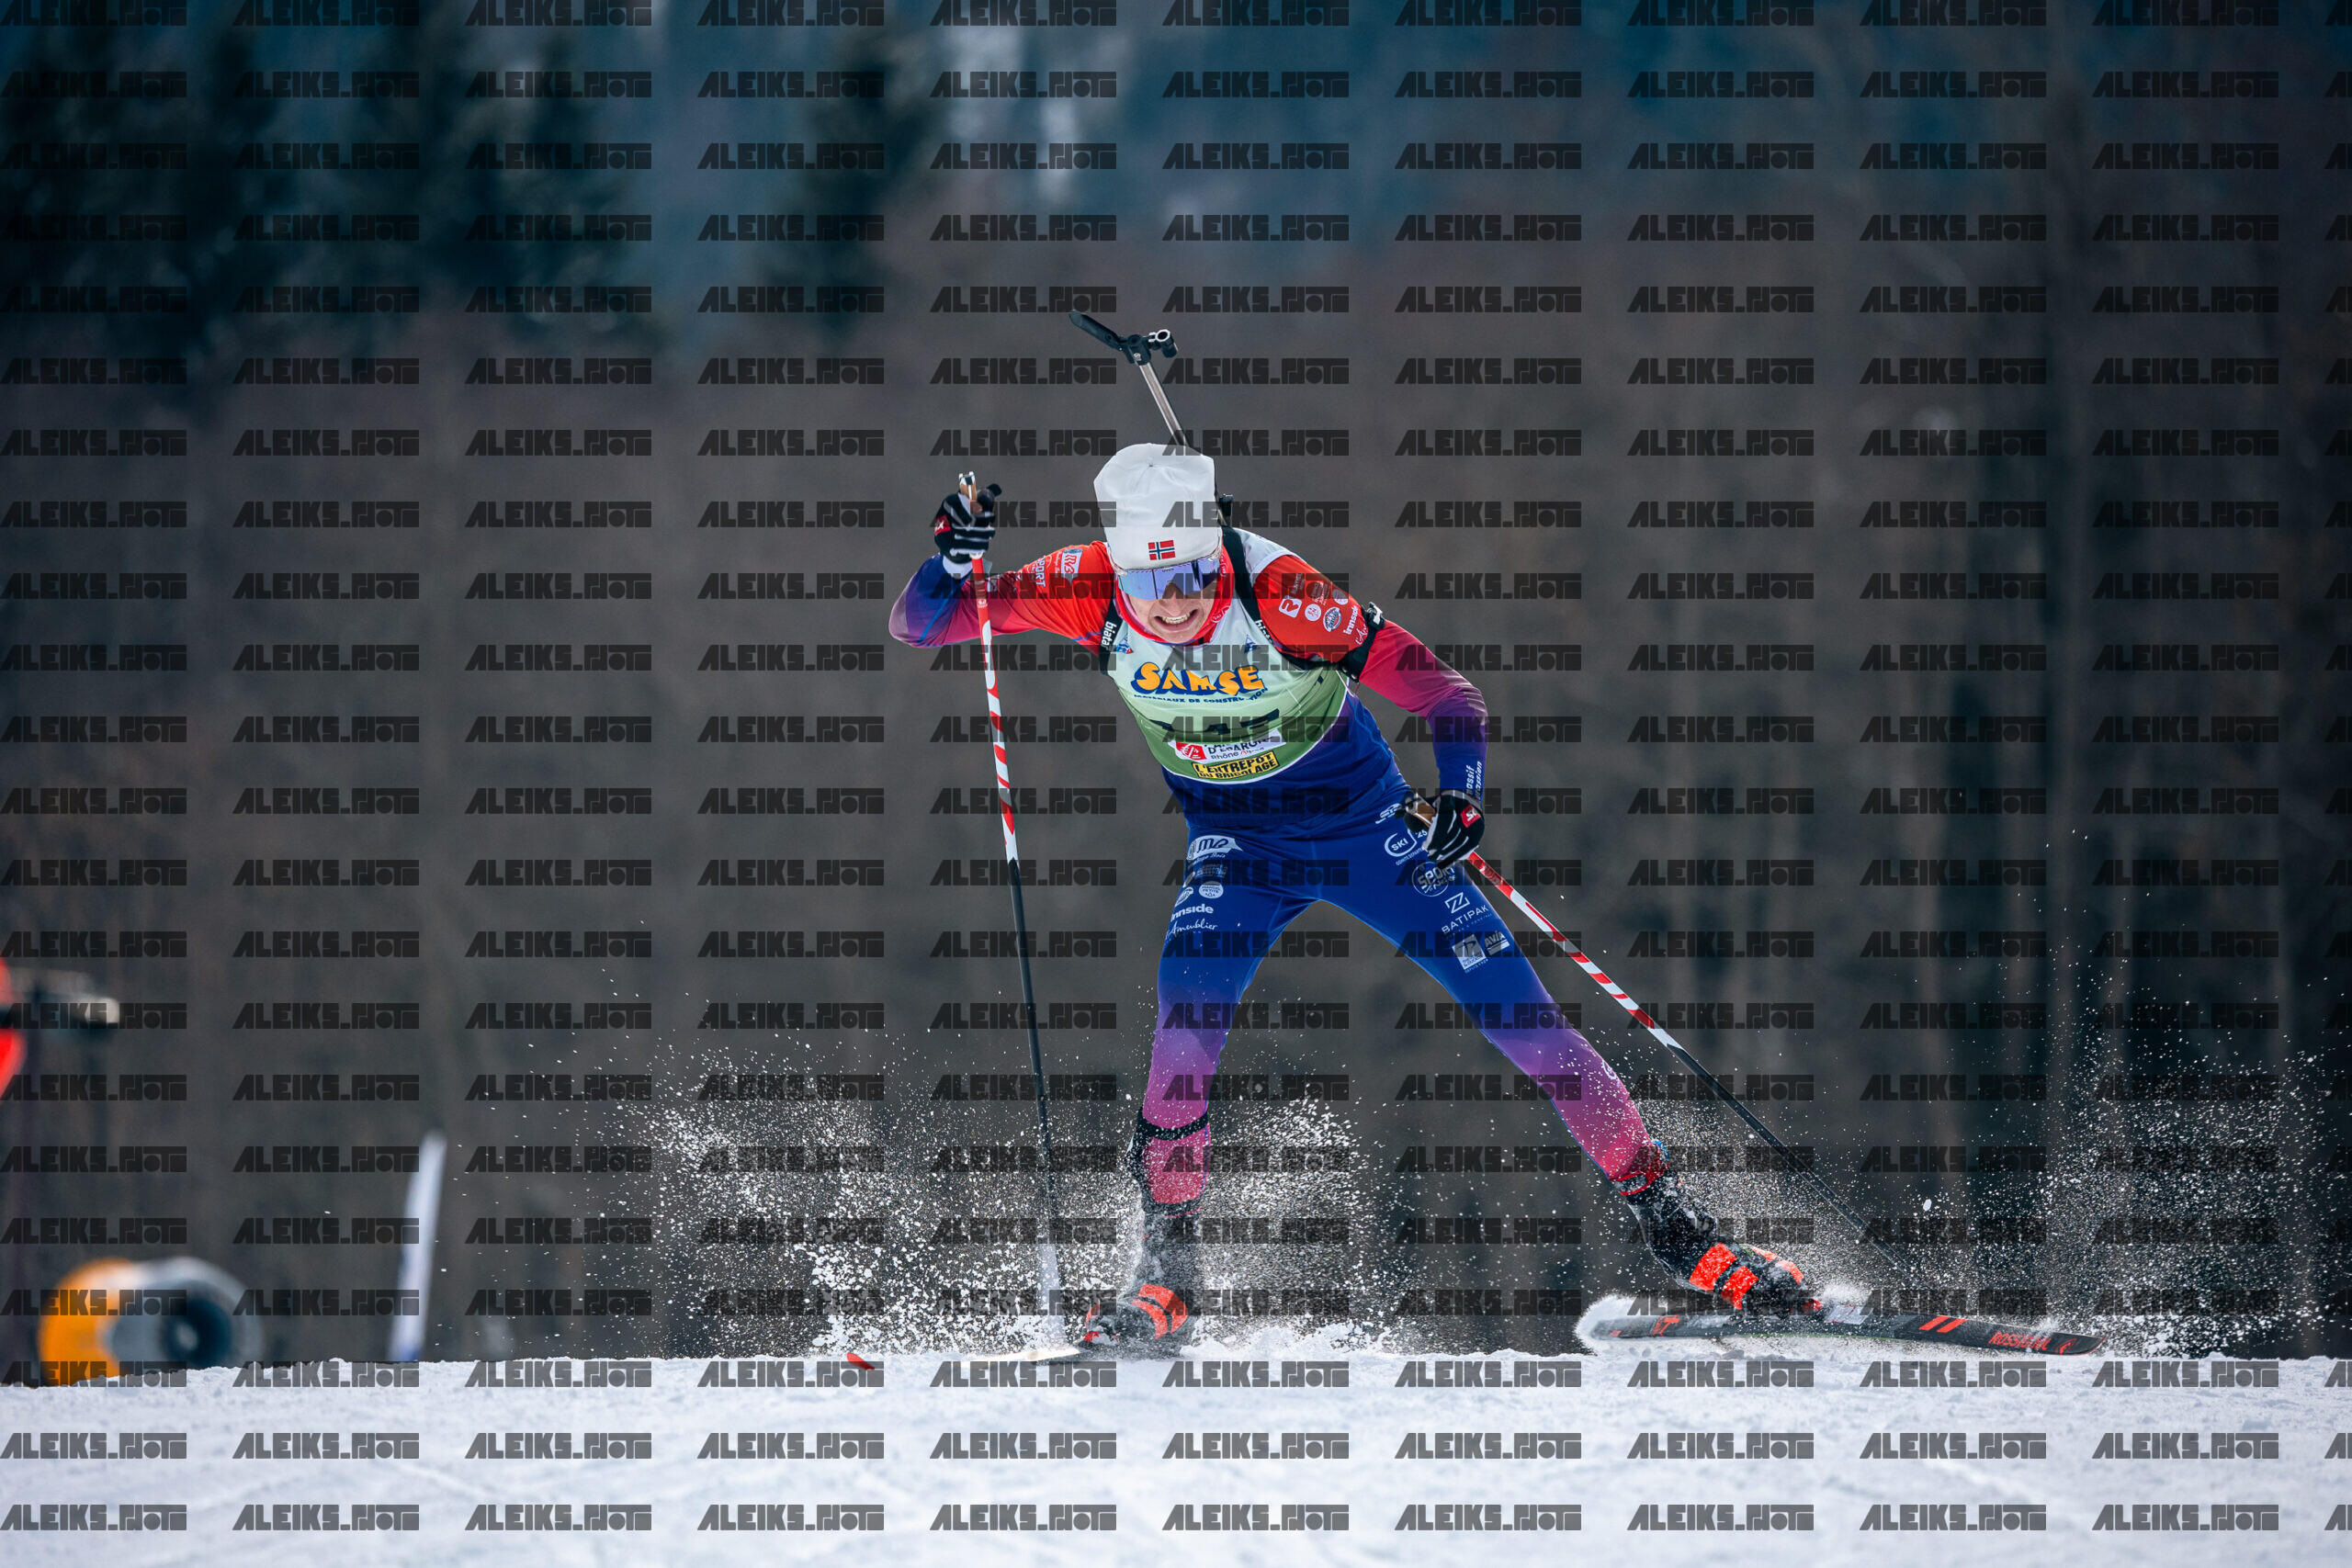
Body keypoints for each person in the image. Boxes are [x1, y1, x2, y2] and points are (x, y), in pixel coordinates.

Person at [888, 444, 1811, 1349]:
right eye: (1151, 584)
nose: (1173, 604)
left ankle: (1684, 1235)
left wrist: (1462, 796)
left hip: (1369, 830)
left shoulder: (1283, 593)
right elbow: (923, 624)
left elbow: (1447, 695)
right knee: (1185, 1023)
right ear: (1118, 569)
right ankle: (1168, 1271)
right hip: (1240, 847)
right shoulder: (1083, 586)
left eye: (1194, 578)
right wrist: (952, 564)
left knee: (1525, 1024)